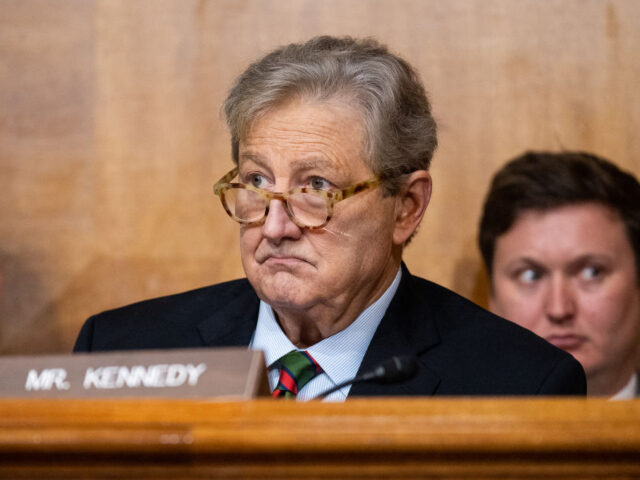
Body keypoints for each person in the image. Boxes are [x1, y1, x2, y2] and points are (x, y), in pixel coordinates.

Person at [74, 36, 585, 399]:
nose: (275, 227)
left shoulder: (518, 383)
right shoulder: (122, 351)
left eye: (316, 188)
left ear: (406, 207)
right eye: (256, 183)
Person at [479, 151, 640, 398]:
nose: (559, 309)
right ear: (492, 297)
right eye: (530, 275)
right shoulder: (443, 432)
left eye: (591, 272)